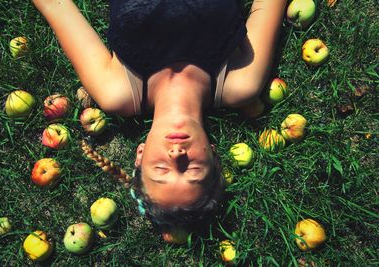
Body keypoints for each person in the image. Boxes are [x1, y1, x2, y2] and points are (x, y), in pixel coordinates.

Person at [32, 0, 287, 229]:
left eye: (162, 168)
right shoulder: (241, 80)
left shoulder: (117, 90)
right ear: (213, 156)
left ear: (140, 155)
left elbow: (56, 6)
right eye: (193, 169)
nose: (177, 155)